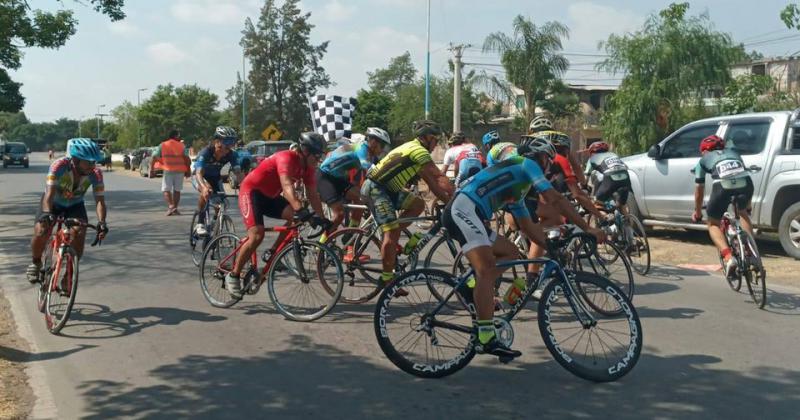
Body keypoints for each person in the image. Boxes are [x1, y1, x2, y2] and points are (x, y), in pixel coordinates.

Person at [441, 135, 604, 360]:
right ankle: (486, 336)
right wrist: (587, 227)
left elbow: (527, 226)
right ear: (541, 158)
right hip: (463, 210)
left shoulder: (518, 188)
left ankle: (472, 285)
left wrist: (550, 247)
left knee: (511, 252)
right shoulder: (526, 164)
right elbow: (554, 198)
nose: (549, 167)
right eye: (549, 160)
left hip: (469, 212)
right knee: (487, 270)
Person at [226, 132, 332, 298]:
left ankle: (273, 251)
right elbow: (287, 185)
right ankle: (233, 275)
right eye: (317, 155)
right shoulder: (287, 157)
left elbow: (312, 193)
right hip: (251, 192)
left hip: (270, 197)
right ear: (305, 151)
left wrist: (323, 218)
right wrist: (301, 209)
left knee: (295, 219)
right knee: (256, 235)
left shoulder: (308, 167)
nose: (319, 159)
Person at [361, 120, 454, 291]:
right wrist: (457, 196)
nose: (436, 145)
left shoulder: (415, 151)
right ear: (426, 138)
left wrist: (450, 203)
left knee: (417, 204)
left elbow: (432, 183)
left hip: (390, 189)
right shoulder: (417, 151)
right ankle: (387, 279)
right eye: (435, 140)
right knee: (390, 233)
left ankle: (393, 236)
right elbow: (440, 178)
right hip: (376, 188)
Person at [26, 138, 109, 283]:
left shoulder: (96, 174)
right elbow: (49, 193)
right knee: (41, 230)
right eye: (88, 162)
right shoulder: (59, 166)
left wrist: (102, 222)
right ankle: (36, 262)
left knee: (79, 233)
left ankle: (68, 275)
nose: (92, 165)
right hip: (53, 203)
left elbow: (100, 202)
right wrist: (46, 214)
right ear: (76, 160)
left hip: (75, 205)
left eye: (94, 162)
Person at [691, 134, 754, 278]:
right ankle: (750, 250)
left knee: (713, 223)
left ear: (705, 150)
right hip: (746, 184)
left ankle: (728, 257)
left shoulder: (702, 160)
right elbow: (744, 177)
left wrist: (698, 212)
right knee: (743, 212)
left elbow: (699, 191)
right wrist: (748, 206)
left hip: (722, 187)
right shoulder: (735, 153)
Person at [317, 127, 390, 246]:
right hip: (325, 177)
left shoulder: (372, 154)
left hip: (338, 178)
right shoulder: (362, 148)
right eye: (382, 145)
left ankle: (349, 236)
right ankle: (321, 244)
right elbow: (371, 172)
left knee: (360, 200)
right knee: (339, 214)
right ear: (373, 142)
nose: (383, 149)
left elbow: (382, 170)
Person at [192, 126, 243, 236]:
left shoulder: (232, 154)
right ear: (217, 141)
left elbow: (238, 173)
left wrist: (244, 187)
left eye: (233, 142)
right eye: (227, 141)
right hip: (201, 177)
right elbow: (198, 173)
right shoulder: (205, 153)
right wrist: (203, 187)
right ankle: (200, 224)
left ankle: (214, 224)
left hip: (215, 178)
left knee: (222, 203)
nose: (230, 145)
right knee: (206, 190)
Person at [584, 141, 632, 215]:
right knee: (621, 205)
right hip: (626, 177)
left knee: (598, 204)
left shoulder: (592, 159)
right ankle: (626, 223)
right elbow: (626, 167)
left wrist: (583, 186)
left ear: (591, 152)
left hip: (610, 179)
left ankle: (606, 221)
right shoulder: (613, 155)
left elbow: (586, 177)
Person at [153, 129, 191, 216]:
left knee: (166, 189)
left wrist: (159, 163)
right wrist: (188, 170)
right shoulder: (182, 146)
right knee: (177, 190)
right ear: (175, 136)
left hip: (168, 170)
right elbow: (187, 159)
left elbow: (154, 156)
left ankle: (171, 206)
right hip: (180, 171)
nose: (180, 137)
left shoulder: (162, 145)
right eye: (179, 135)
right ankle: (175, 208)